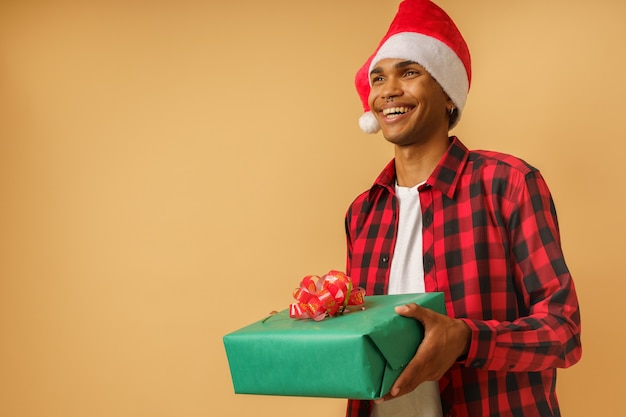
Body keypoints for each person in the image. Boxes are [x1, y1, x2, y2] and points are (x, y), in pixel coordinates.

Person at [344, 1, 582, 416]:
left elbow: (563, 331)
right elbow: (363, 336)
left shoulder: (508, 184)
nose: (388, 90)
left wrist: (467, 340)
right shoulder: (363, 213)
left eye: (410, 71)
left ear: (447, 93)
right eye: (379, 77)